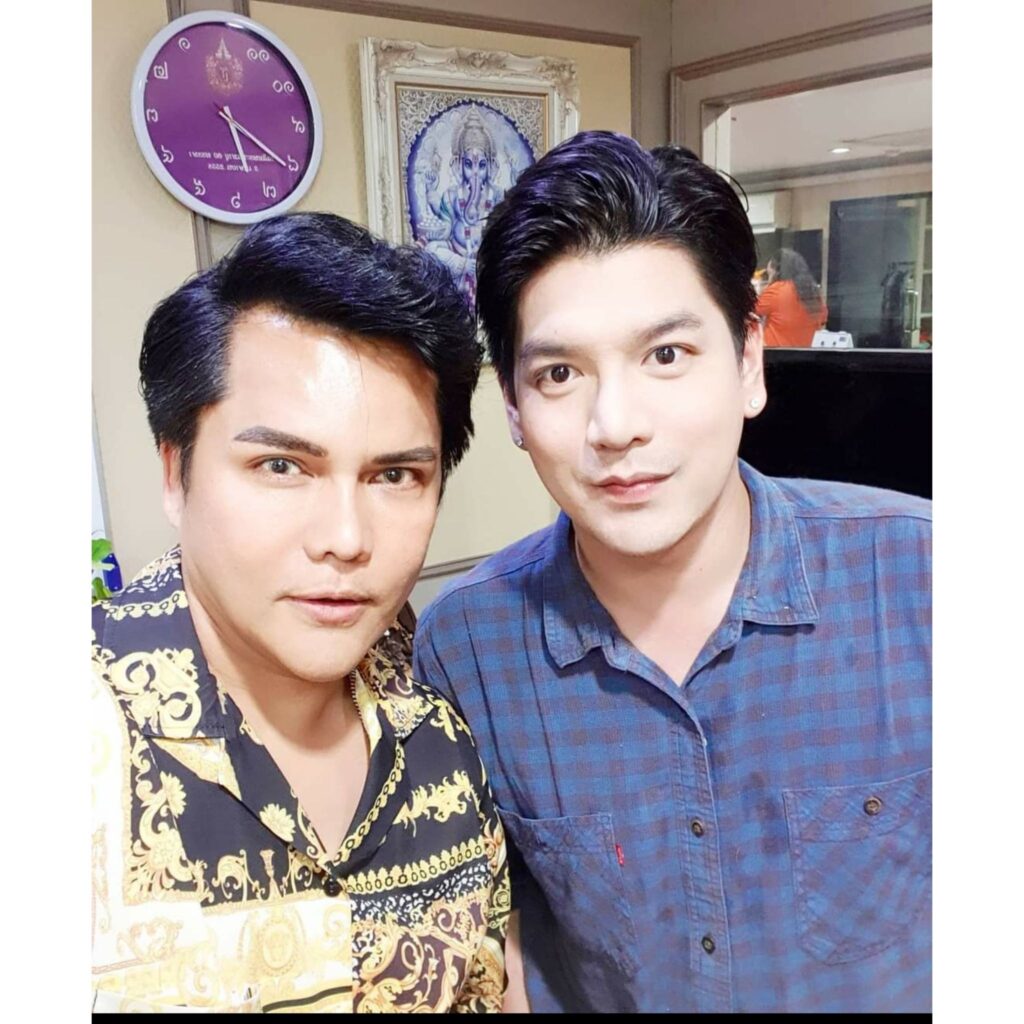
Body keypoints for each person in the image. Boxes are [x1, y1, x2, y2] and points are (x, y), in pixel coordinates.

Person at [413, 133, 931, 1013]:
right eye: (560, 372)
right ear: (513, 408)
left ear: (749, 361)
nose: (616, 425)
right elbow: (499, 940)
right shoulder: (468, 648)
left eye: (666, 356)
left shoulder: (927, 578)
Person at [91, 213, 509, 1013]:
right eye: (281, 466)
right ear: (176, 474)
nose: (346, 539)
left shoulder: (442, 732)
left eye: (394, 477)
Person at [756, 247, 828, 347]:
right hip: (807, 353)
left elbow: (749, 310)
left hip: (777, 352)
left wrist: (757, 289)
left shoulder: (776, 290)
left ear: (776, 271)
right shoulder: (813, 293)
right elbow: (823, 319)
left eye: (769, 274)